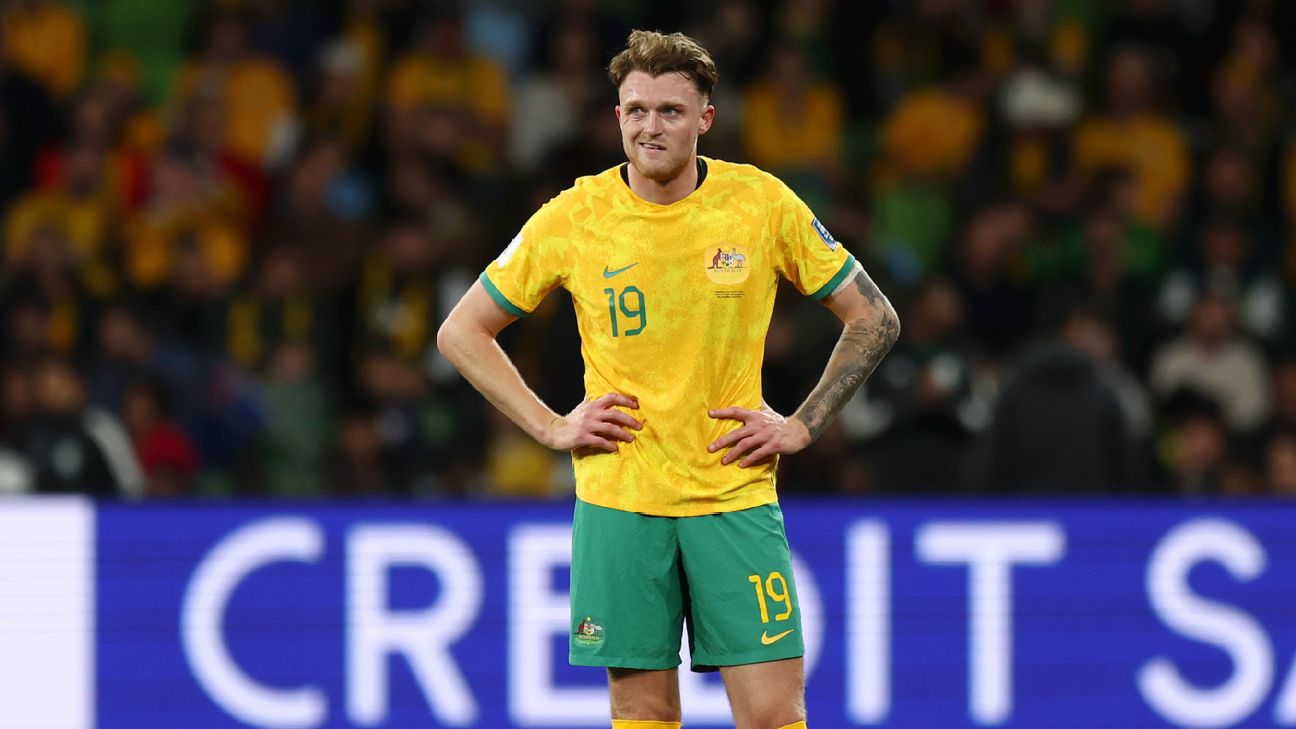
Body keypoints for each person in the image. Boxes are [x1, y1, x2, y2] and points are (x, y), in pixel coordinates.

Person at [437, 30, 899, 729]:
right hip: (620, 499)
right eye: (636, 110)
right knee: (643, 712)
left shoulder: (760, 203)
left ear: (705, 119)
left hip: (732, 493)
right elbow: (461, 331)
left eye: (671, 111)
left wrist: (802, 424)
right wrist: (551, 425)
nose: (650, 126)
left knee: (774, 715)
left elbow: (875, 317)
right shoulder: (575, 215)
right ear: (617, 116)